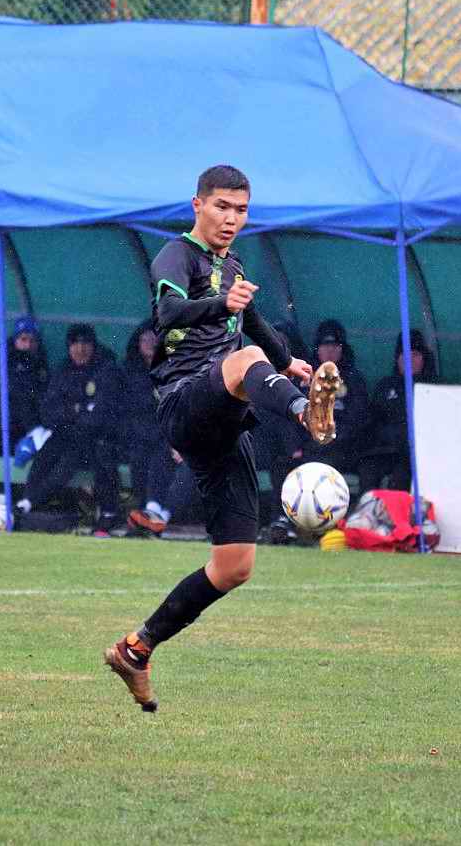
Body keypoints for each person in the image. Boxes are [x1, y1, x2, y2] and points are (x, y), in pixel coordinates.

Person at [102, 164, 340, 712]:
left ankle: (136, 649)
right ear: (198, 205)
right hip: (183, 401)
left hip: (224, 421)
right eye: (222, 207)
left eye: (241, 210)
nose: (232, 219)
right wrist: (222, 306)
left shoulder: (231, 265)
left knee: (234, 565)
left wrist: (289, 360)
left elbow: (252, 322)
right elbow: (167, 315)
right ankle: (304, 412)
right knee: (243, 360)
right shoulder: (176, 256)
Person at [265, 319, 370, 543]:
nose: (329, 350)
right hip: (305, 446)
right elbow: (287, 413)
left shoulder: (354, 379)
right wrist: (294, 446)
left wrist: (327, 439)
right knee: (281, 465)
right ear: (317, 349)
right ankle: (282, 521)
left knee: (323, 466)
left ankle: (320, 525)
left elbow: (358, 421)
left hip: (338, 449)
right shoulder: (304, 376)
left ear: (342, 349)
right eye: (324, 345)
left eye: (335, 346)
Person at [14, 323, 123, 535]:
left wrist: (72, 411)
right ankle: (26, 503)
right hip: (67, 433)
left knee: (75, 459)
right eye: (75, 344)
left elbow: (101, 413)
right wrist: (78, 410)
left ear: (93, 346)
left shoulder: (106, 370)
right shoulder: (63, 370)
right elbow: (49, 411)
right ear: (69, 347)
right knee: (47, 453)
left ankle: (107, 515)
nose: (80, 349)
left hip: (98, 437)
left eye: (85, 344)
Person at [358, 329, 437, 493]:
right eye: (405, 355)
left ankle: (396, 510)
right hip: (386, 450)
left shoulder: (432, 388)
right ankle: (367, 507)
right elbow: (371, 421)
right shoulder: (385, 386)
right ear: (398, 358)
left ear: (424, 358)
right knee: (368, 469)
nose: (410, 360)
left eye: (415, 354)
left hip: (415, 455)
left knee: (401, 476)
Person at [122, 320, 179, 536]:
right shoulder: (130, 371)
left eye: (155, 339)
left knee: (162, 452)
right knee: (141, 451)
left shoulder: (173, 370)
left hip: (168, 437)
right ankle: (147, 512)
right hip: (137, 435)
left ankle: (152, 513)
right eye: (145, 339)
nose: (150, 343)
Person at [0, 315, 49, 466]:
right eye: (24, 339)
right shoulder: (3, 360)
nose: (28, 345)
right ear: (15, 339)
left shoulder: (38, 362)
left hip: (22, 423)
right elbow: (16, 395)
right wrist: (34, 428)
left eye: (33, 340)